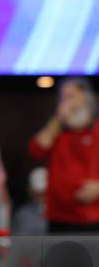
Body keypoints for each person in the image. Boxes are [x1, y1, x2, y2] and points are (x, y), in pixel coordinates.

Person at [28, 77, 99, 234]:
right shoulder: (57, 131)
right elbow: (36, 150)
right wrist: (57, 120)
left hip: (91, 218)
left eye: (71, 97)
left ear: (86, 98)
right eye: (63, 98)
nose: (66, 104)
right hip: (58, 216)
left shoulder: (96, 130)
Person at [12, 167, 48, 235]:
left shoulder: (62, 215)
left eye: (47, 193)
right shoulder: (22, 215)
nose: (44, 198)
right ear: (30, 191)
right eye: (39, 194)